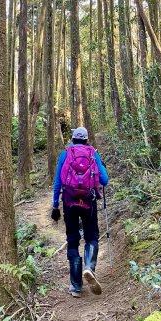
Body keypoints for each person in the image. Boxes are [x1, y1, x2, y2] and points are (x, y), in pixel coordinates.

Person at [51, 127, 109, 297]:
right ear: (86, 139)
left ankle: (76, 286)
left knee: (72, 239)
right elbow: (104, 180)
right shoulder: (93, 154)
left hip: (69, 202)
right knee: (91, 236)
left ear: (73, 138)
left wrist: (55, 205)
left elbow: (58, 182)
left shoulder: (65, 154)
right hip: (89, 203)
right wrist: (102, 167)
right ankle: (89, 267)